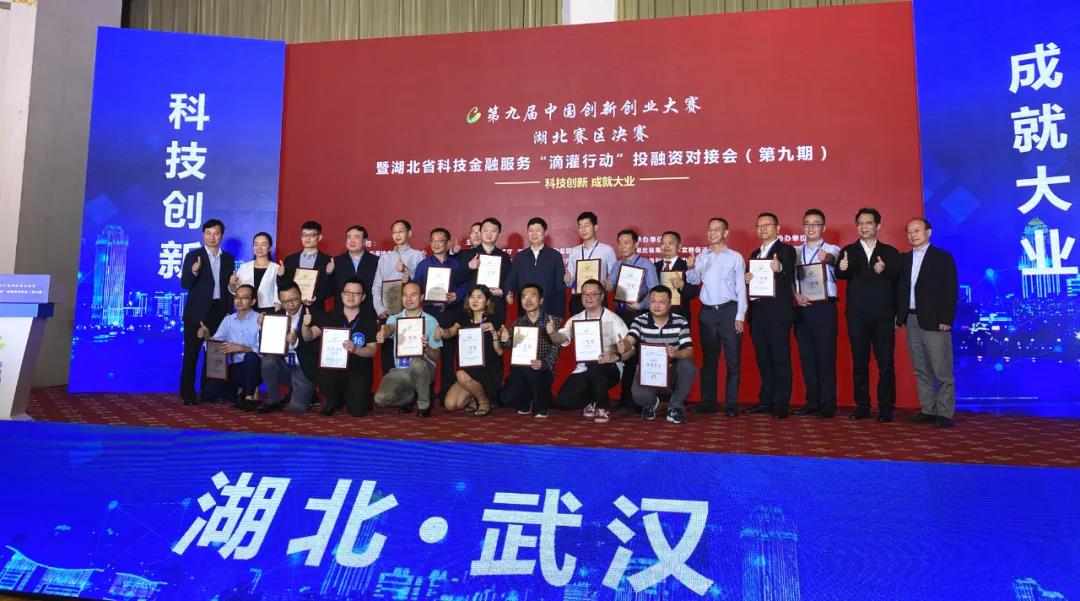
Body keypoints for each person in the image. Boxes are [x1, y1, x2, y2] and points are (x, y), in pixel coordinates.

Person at [835, 207, 901, 422]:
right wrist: (842, 267)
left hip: (883, 316)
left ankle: (886, 407)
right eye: (860, 223)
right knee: (859, 363)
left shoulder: (890, 252)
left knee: (885, 363)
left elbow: (899, 278)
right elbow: (840, 274)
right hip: (857, 316)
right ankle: (862, 405)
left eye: (868, 223)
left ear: (878, 225)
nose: (863, 227)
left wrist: (885, 269)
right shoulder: (848, 251)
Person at [895, 218, 958, 428]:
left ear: (928, 232)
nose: (913, 235)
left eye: (917, 230)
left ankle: (945, 413)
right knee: (920, 368)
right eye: (909, 232)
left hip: (935, 320)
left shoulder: (942, 257)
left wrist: (946, 319)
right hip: (911, 319)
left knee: (942, 370)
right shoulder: (904, 259)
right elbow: (900, 289)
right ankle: (928, 410)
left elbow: (950, 290)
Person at [685, 217, 746, 417]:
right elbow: (694, 281)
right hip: (708, 313)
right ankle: (708, 402)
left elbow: (741, 288)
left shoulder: (735, 257)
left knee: (733, 360)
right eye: (710, 229)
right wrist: (691, 267)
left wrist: (740, 315)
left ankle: (731, 404)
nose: (712, 233)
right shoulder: (702, 257)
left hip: (729, 311)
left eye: (717, 229)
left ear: (725, 233)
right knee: (709, 359)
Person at [549, 279, 631, 424]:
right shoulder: (576, 319)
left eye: (593, 294)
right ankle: (593, 400)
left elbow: (631, 350)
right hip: (584, 369)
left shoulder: (614, 319)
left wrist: (616, 356)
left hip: (609, 368)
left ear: (602, 296)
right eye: (585, 294)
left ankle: (603, 407)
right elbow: (561, 338)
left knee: (596, 366)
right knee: (563, 402)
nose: (588, 298)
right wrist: (552, 333)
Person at [744, 212, 798, 419]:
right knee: (763, 359)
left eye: (767, 225)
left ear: (777, 228)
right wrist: (748, 279)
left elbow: (790, 272)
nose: (763, 229)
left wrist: (780, 267)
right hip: (758, 314)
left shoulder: (786, 250)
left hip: (778, 314)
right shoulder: (755, 254)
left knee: (780, 359)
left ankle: (781, 402)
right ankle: (765, 400)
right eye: (759, 226)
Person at [617, 285, 696, 424]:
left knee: (688, 365)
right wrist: (624, 345)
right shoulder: (640, 320)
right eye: (653, 301)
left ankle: (675, 408)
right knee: (637, 394)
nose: (656, 305)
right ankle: (653, 404)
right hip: (648, 371)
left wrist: (675, 353)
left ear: (670, 304)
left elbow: (689, 350)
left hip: (670, 372)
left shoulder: (680, 321)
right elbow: (630, 338)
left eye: (661, 302)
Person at [302, 277, 379, 417]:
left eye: (356, 293)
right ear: (342, 294)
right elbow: (308, 336)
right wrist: (305, 325)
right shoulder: (330, 316)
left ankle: (358, 397)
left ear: (363, 297)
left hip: (358, 369)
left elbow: (372, 351)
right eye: (347, 292)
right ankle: (333, 400)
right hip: (334, 368)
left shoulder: (369, 319)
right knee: (320, 368)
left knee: (357, 411)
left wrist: (356, 349)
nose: (351, 296)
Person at [180, 218, 235, 405]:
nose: (212, 237)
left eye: (216, 233)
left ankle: (209, 392)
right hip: (196, 312)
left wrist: (228, 311)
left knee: (215, 354)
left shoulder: (228, 259)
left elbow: (229, 288)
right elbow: (185, 284)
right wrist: (194, 271)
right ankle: (188, 394)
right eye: (208, 233)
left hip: (219, 310)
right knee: (191, 354)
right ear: (203, 235)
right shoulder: (193, 255)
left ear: (222, 235)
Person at [792, 209, 841, 418]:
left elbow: (836, 260)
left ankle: (828, 403)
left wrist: (827, 259)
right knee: (807, 358)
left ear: (824, 227)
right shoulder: (794, 252)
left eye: (815, 224)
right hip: (802, 308)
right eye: (807, 224)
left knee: (826, 357)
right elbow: (788, 280)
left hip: (824, 307)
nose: (811, 228)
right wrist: (795, 295)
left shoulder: (832, 249)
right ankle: (812, 402)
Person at [609, 229, 660, 412]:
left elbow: (655, 290)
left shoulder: (646, 264)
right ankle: (625, 400)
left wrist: (641, 305)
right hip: (620, 315)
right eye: (620, 243)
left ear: (636, 244)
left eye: (627, 242)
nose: (623, 246)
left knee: (637, 358)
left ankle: (637, 401)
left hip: (639, 315)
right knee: (623, 354)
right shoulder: (617, 265)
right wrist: (604, 284)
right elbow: (609, 286)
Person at [374, 281, 443, 417]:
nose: (408, 299)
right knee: (380, 399)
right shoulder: (395, 318)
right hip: (401, 370)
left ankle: (424, 405)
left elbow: (437, 356)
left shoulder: (431, 321)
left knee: (417, 362)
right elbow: (389, 328)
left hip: (425, 370)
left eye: (413, 295)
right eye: (405, 295)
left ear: (421, 297)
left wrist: (427, 348)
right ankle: (408, 397)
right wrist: (383, 333)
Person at [413, 227, 464, 404]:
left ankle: (446, 393)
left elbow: (465, 285)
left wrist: (456, 295)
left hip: (450, 312)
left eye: (440, 240)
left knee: (448, 355)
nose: (436, 244)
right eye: (433, 240)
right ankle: (425, 394)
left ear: (447, 243)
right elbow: (416, 286)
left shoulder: (456, 264)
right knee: (427, 354)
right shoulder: (424, 265)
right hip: (430, 312)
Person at [499, 284, 562, 418]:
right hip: (521, 370)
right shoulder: (517, 323)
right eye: (524, 297)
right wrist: (503, 338)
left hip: (543, 370)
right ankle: (531, 398)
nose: (528, 300)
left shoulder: (553, 321)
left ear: (541, 300)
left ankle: (540, 404)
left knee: (534, 371)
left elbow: (556, 348)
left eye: (532, 296)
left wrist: (543, 363)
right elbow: (509, 345)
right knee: (505, 399)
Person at [439, 285, 504, 416]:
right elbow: (450, 332)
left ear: (487, 301)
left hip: (488, 370)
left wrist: (493, 333)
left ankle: (484, 401)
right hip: (469, 369)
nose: (474, 300)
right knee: (450, 405)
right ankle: (474, 396)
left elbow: (500, 352)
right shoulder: (463, 318)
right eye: (472, 297)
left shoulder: (494, 319)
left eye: (479, 297)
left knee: (460, 374)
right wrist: (442, 332)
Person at [372, 219, 426, 374]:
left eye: (401, 231)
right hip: (388, 312)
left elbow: (422, 285)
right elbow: (376, 286)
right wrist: (379, 309)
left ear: (409, 233)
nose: (397, 235)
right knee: (388, 359)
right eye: (394, 232)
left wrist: (407, 273)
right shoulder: (385, 257)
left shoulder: (418, 256)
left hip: (410, 313)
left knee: (411, 354)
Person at [257, 281, 317, 414]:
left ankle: (308, 392)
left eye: (294, 300)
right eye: (285, 302)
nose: (291, 304)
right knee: (268, 361)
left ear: (301, 296)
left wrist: (296, 342)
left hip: (303, 367)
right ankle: (273, 400)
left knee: (297, 409)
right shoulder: (275, 315)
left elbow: (314, 347)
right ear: (280, 301)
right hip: (284, 365)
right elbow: (267, 345)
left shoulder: (312, 314)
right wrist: (263, 327)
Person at [198, 284, 261, 410]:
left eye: (244, 298)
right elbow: (216, 343)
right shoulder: (228, 320)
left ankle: (249, 397)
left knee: (250, 357)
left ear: (253, 301)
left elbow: (264, 349)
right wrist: (207, 336)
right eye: (237, 297)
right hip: (236, 367)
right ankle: (239, 394)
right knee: (209, 393)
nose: (239, 301)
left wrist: (241, 348)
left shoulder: (259, 319)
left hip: (257, 366)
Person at [504, 217, 566, 319]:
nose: (534, 234)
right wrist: (509, 291)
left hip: (549, 312)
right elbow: (512, 279)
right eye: (531, 231)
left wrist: (559, 315)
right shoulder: (520, 257)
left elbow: (560, 287)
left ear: (545, 233)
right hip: (525, 313)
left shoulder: (555, 256)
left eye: (537, 230)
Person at [454, 217, 513, 322]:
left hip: (496, 307)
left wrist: (502, 292)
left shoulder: (504, 256)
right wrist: (469, 267)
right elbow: (456, 279)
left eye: (493, 231)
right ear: (481, 232)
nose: (489, 234)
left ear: (499, 234)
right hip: (472, 308)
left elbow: (510, 281)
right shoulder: (467, 255)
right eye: (485, 230)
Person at [564, 211, 618, 315]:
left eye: (586, 225)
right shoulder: (574, 251)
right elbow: (571, 282)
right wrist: (568, 280)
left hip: (598, 298)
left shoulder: (607, 250)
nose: (583, 229)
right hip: (578, 299)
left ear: (595, 227)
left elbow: (614, 276)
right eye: (580, 226)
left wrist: (609, 286)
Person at [278, 220, 333, 314]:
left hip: (316, 309)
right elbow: (283, 285)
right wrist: (281, 275)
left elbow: (332, 287)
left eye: (312, 235)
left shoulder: (328, 261)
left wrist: (317, 298)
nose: (307, 238)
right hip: (292, 309)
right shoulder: (290, 259)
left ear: (319, 237)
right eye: (304, 235)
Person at [329, 225, 378, 311]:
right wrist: (328, 273)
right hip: (342, 312)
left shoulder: (376, 261)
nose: (352, 241)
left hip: (369, 311)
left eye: (356, 237)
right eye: (349, 237)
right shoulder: (335, 262)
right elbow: (328, 289)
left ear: (365, 241)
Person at [229, 231, 279, 313]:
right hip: (246, 310)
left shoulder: (276, 268)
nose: (259, 248)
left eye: (263, 244)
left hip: (268, 310)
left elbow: (278, 295)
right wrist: (232, 284)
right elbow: (235, 291)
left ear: (270, 248)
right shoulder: (244, 267)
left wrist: (276, 313)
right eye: (256, 244)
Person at [655, 230, 699, 322]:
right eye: (663, 243)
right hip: (657, 317)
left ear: (679, 247)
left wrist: (683, 285)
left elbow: (694, 292)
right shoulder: (654, 267)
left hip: (679, 317)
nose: (666, 246)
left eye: (670, 243)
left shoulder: (687, 266)